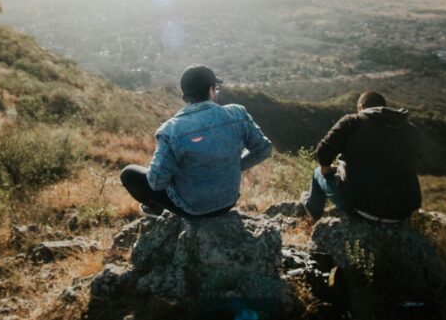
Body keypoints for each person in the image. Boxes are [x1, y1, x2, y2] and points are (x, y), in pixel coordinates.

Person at [120, 64, 273, 219]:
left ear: (185, 94)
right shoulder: (237, 114)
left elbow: (156, 183)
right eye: (216, 88)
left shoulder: (170, 130)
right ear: (211, 89)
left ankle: (155, 209)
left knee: (128, 173)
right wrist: (234, 165)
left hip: (193, 210)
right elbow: (264, 150)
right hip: (228, 202)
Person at [301, 91, 422, 222]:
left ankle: (312, 212)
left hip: (363, 208)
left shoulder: (352, 121)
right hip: (404, 212)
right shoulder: (411, 129)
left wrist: (327, 170)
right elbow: (415, 161)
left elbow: (323, 151)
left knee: (318, 173)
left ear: (361, 107)